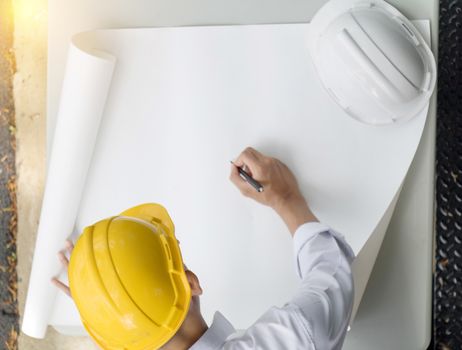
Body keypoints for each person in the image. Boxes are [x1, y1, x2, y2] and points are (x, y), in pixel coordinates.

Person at [52, 147, 355, 349]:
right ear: (191, 282)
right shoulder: (290, 337)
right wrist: (285, 198)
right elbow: (333, 273)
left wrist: (110, 313)